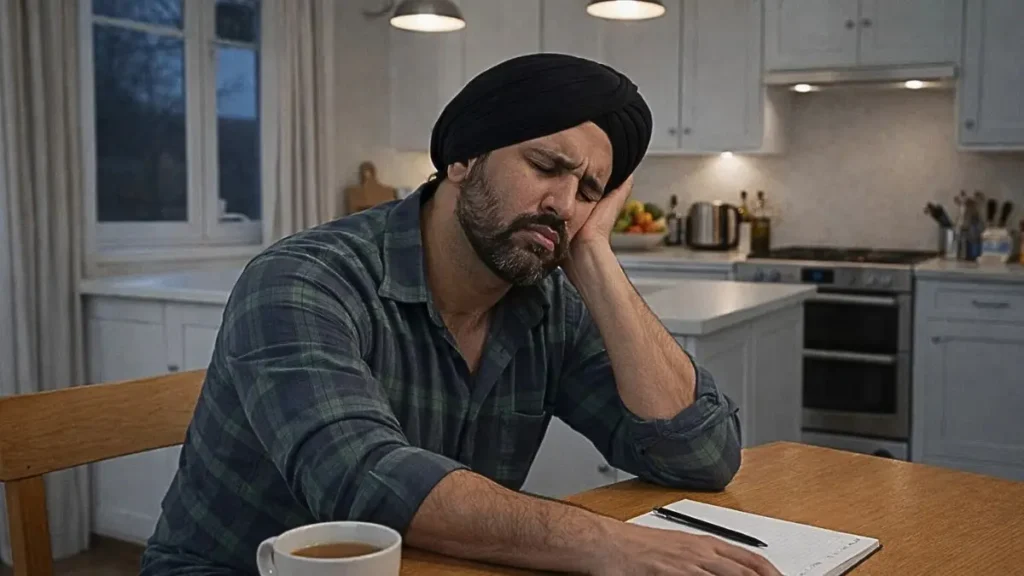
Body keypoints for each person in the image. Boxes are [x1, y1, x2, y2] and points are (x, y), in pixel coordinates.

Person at [141, 53, 780, 576]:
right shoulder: (302, 280)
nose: (562, 204)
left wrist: (596, 257)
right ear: (463, 158)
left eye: (587, 191)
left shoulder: (549, 306)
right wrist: (609, 543)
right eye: (544, 166)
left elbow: (703, 458)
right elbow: (366, 480)